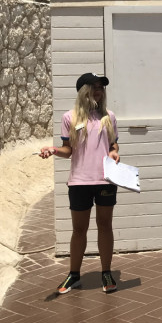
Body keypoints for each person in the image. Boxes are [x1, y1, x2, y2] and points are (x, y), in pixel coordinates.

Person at [39, 72, 121, 294]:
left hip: (105, 180)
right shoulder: (69, 117)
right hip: (79, 182)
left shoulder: (109, 117)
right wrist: (53, 150)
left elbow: (113, 146)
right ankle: (74, 274)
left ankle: (106, 272)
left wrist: (114, 153)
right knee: (79, 229)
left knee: (105, 226)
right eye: (94, 87)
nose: (99, 91)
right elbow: (68, 150)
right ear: (83, 91)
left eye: (101, 87)